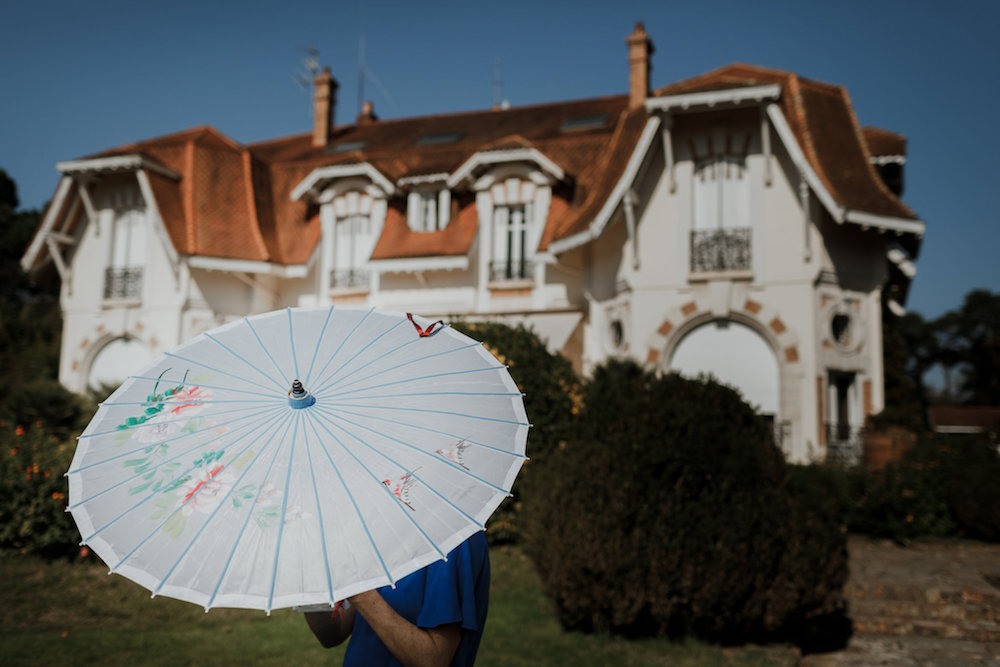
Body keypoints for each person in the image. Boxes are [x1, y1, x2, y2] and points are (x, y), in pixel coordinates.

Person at [303, 530, 490, 667]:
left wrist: (360, 593)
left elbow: (433, 660)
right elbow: (331, 635)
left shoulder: (454, 537)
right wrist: (306, 571)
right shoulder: (387, 531)